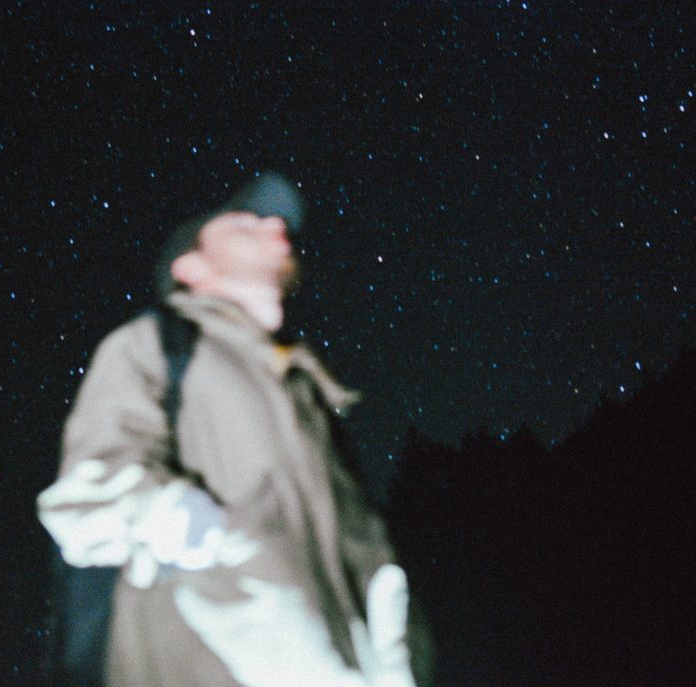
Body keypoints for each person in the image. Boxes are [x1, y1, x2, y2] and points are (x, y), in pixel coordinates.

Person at [37, 173, 419, 686]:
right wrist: (181, 526)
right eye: (244, 223)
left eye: (276, 223)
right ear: (190, 267)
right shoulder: (156, 345)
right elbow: (89, 488)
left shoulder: (306, 390)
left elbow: (364, 550)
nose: (274, 226)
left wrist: (395, 647)